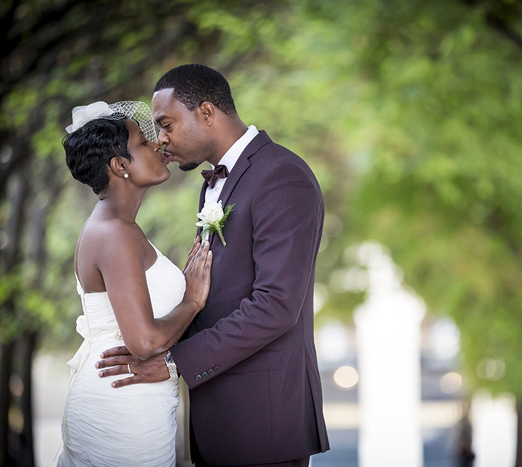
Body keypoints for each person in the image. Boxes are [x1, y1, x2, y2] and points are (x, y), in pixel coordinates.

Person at [96, 65, 330, 466]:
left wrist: (171, 363)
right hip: (218, 420)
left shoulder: (282, 176)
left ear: (206, 112)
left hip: (263, 422)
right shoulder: (211, 184)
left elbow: (276, 305)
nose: (162, 140)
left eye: (166, 124)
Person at [58, 100, 213, 466]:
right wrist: (191, 300)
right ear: (119, 165)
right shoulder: (115, 233)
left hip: (133, 394)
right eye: (144, 143)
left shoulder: (116, 227)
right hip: (120, 401)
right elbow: (143, 342)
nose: (158, 144)